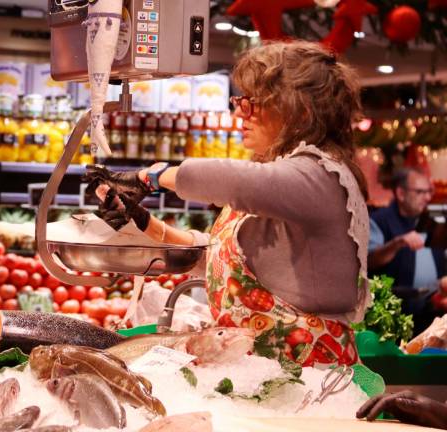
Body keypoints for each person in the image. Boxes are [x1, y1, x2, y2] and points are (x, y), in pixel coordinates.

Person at [85, 41, 370, 367]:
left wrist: (151, 177)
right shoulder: (289, 180)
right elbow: (224, 263)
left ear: (299, 111)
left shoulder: (319, 175)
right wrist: (146, 224)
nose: (239, 112)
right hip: (267, 369)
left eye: (252, 103)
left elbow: (228, 179)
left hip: (307, 373)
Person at [368, 168, 446, 334]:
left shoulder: (431, 219)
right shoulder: (379, 220)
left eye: (428, 191)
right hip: (395, 319)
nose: (427, 197)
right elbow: (369, 260)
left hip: (432, 312)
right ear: (401, 194)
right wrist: (397, 243)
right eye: (420, 192)